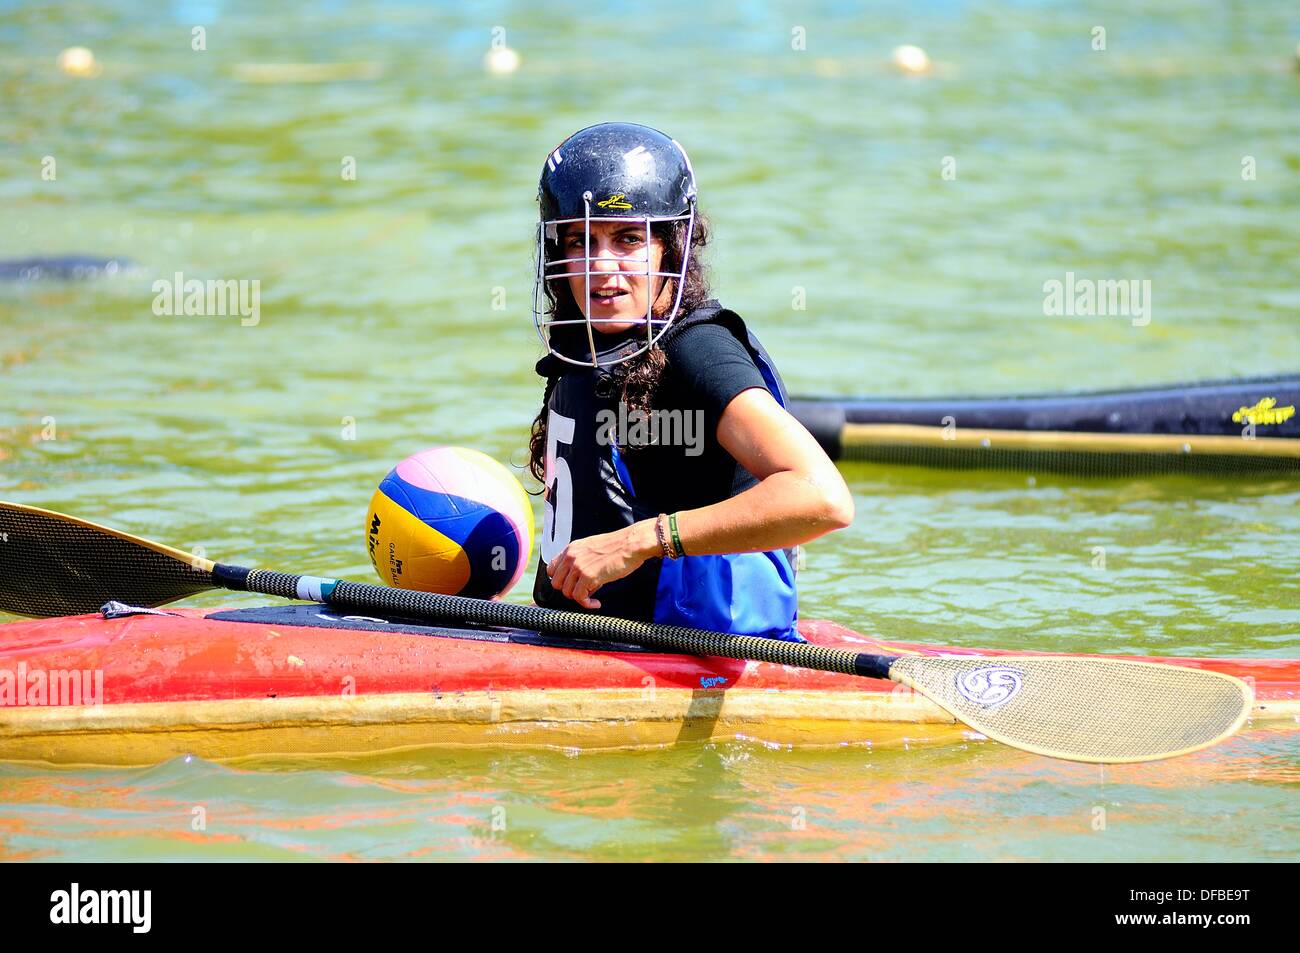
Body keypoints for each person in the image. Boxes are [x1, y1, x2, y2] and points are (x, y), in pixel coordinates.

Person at [528, 121, 852, 641]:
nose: (601, 266)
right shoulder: (582, 345)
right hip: (576, 639)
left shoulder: (698, 352)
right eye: (579, 241)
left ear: (670, 249)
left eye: (628, 239)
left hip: (682, 653)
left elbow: (821, 498)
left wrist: (639, 541)